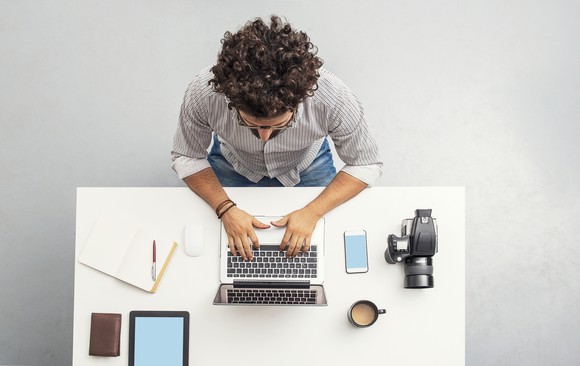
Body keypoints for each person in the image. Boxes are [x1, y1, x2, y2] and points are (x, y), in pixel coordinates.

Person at [172, 15, 382, 261]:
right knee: (213, 252)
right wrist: (225, 208)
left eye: (278, 126)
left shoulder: (332, 97)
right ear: (230, 99)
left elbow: (366, 163)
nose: (263, 137)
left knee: (326, 249)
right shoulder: (205, 93)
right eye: (250, 124)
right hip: (232, 163)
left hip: (308, 165)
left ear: (300, 101)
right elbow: (187, 156)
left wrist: (313, 212)